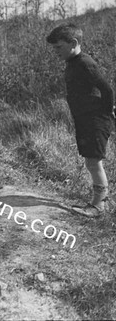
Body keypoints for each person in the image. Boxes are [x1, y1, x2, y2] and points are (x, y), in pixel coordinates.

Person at [47, 24, 114, 217]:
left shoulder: (85, 63)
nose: (56, 52)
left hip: (95, 120)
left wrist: (106, 114)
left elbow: (107, 89)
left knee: (93, 162)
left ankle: (99, 205)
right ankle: (98, 202)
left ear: (74, 43)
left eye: (59, 47)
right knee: (90, 161)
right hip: (86, 119)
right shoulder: (73, 63)